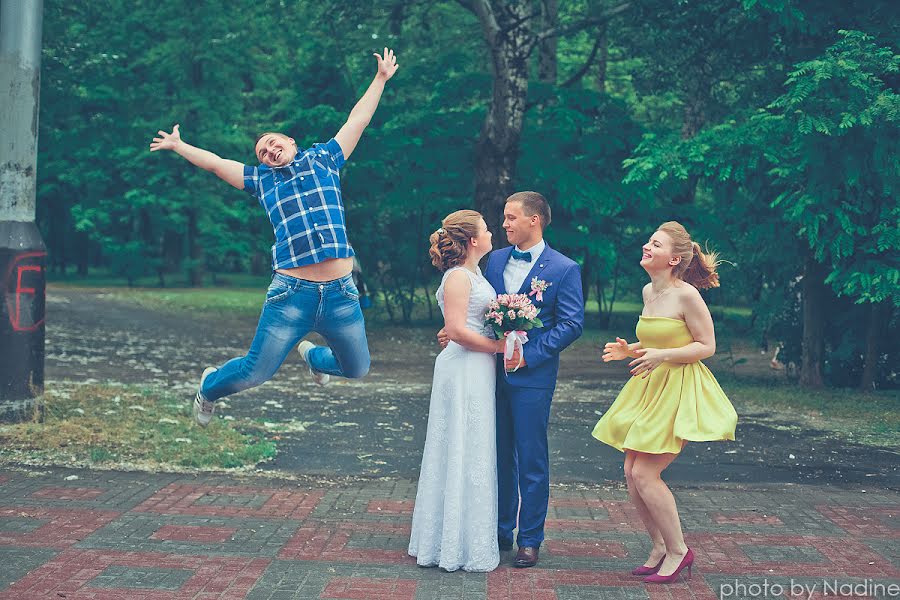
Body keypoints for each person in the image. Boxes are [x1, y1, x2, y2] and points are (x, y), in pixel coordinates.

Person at [149, 49, 399, 426]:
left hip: (341, 294)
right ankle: (209, 388)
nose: (267, 151)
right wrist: (180, 145)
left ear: (292, 143)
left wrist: (380, 78)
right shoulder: (260, 180)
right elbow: (217, 163)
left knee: (358, 368)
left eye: (272, 143)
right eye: (262, 151)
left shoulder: (324, 159)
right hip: (291, 294)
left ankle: (314, 357)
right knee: (256, 371)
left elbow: (358, 119)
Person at [439, 191, 584, 568]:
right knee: (495, 452)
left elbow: (571, 324)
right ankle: (500, 528)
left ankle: (530, 538)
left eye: (510, 218)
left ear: (534, 220)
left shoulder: (564, 269)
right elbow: (478, 307)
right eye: (502, 219)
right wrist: (454, 329)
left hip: (533, 377)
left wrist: (527, 354)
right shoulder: (494, 260)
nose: (504, 225)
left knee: (531, 458)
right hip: (485, 374)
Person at [591, 221, 737, 584]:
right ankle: (658, 546)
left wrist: (662, 355)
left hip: (679, 389)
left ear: (673, 259)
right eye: (648, 240)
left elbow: (706, 346)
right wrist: (632, 350)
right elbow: (659, 337)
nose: (646, 246)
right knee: (630, 472)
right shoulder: (647, 291)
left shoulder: (687, 295)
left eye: (655, 244)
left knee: (645, 473)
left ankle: (679, 551)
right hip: (649, 387)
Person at [408, 210, 505, 572]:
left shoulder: (476, 274)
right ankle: (449, 543)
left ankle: (466, 538)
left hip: (476, 366)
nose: (492, 232)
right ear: (473, 241)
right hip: (463, 365)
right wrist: (499, 348)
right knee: (459, 444)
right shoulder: (458, 277)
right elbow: (458, 331)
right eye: (486, 229)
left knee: (474, 445)